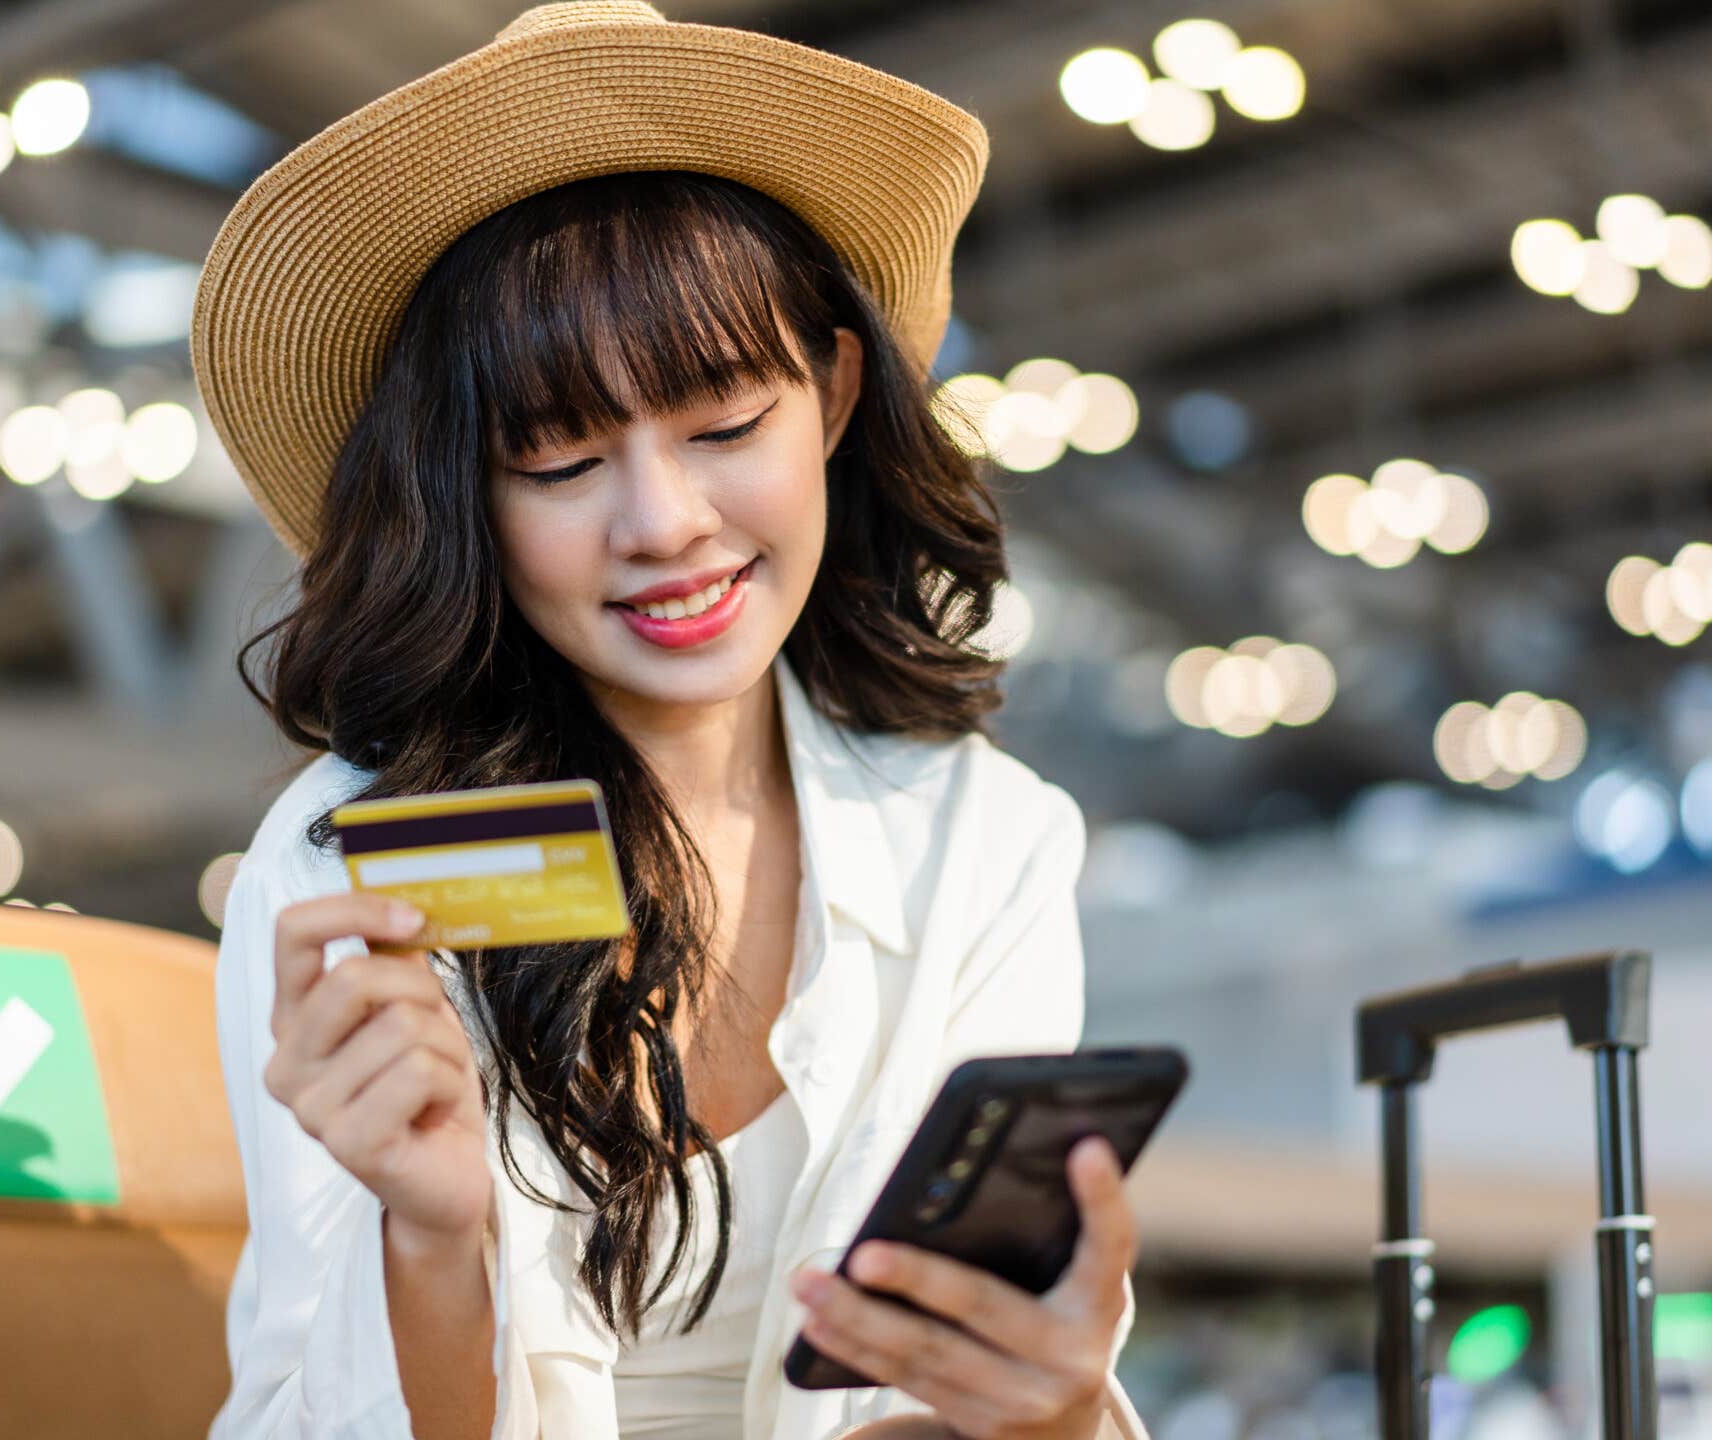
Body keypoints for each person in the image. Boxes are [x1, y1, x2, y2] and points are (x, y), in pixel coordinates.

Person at [193, 5, 1151, 1437]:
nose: (664, 526)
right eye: (563, 459)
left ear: (829, 395)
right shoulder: (351, 867)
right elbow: (307, 1408)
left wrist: (1050, 1410)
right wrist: (433, 1239)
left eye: (722, 428)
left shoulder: (983, 845)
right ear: (471, 497)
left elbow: (928, 1389)